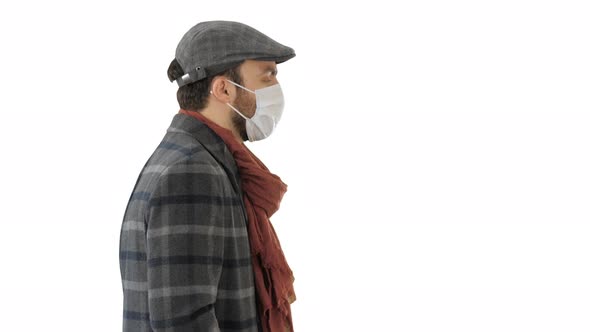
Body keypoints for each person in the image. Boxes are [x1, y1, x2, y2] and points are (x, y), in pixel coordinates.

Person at [119, 21, 296, 332]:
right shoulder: (190, 171)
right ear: (223, 89)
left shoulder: (206, 160)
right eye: (267, 75)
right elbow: (184, 323)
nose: (275, 89)